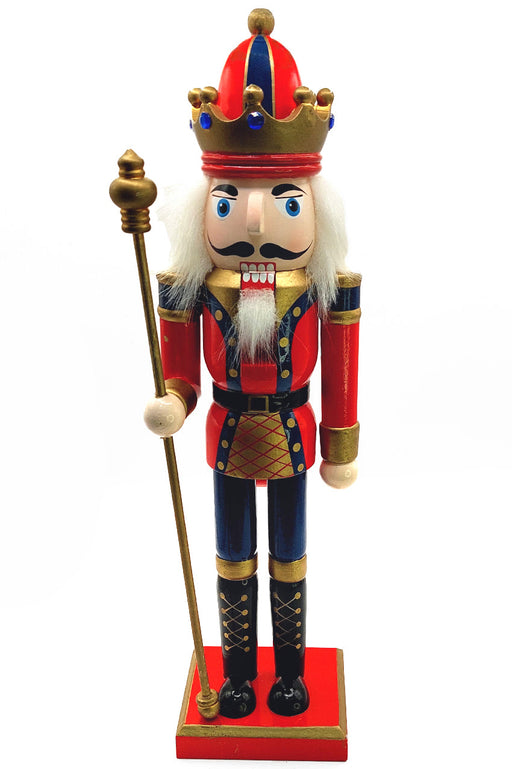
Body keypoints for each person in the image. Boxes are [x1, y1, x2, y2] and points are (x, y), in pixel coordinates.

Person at [144, 9, 361, 719]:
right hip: (229, 433)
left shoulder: (326, 290)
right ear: (203, 208)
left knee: (289, 557)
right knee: (232, 557)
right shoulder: (193, 289)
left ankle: (289, 674)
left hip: (294, 432)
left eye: (285, 202)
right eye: (232, 201)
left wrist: (340, 447)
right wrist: (174, 402)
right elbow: (180, 373)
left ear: (317, 211)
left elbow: (342, 369)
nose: (258, 224)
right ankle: (237, 674)